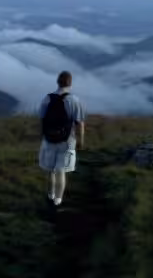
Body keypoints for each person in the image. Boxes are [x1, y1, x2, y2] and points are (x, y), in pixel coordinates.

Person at [38, 71, 86, 207]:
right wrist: (81, 140)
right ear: (70, 83)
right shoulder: (74, 100)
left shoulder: (47, 98)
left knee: (50, 170)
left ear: (57, 82)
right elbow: (79, 123)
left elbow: (41, 120)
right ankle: (58, 200)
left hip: (48, 139)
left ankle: (50, 195)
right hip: (67, 141)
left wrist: (41, 136)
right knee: (61, 171)